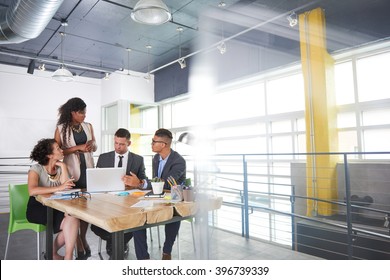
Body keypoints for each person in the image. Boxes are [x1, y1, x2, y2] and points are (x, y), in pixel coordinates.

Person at [123, 128, 186, 260]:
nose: (151, 144)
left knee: (173, 213)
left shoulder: (179, 161)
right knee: (137, 217)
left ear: (163, 145)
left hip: (173, 199)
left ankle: (167, 251)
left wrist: (140, 182)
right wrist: (142, 184)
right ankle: (143, 258)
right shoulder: (156, 158)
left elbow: (166, 183)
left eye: (153, 141)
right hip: (157, 197)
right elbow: (156, 181)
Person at [90, 128, 148, 259]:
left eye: (121, 144)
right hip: (106, 202)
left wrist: (138, 182)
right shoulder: (104, 157)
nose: (118, 147)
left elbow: (144, 182)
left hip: (128, 202)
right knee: (97, 225)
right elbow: (97, 179)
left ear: (129, 144)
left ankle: (117, 245)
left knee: (131, 221)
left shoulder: (138, 160)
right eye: (116, 143)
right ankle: (116, 242)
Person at [54, 97, 97, 260]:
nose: (84, 115)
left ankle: (83, 237)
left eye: (85, 112)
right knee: (73, 211)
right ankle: (77, 241)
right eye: (81, 113)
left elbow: (94, 146)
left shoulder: (88, 126)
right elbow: (57, 152)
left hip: (88, 170)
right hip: (71, 173)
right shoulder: (61, 128)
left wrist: (91, 145)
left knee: (85, 208)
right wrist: (77, 148)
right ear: (73, 112)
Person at [26, 138, 79, 260]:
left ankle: (67, 256)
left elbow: (65, 189)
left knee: (73, 217)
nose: (62, 150)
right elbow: (32, 190)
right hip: (38, 207)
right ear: (49, 155)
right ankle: (55, 254)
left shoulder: (60, 168)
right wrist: (59, 187)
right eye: (58, 149)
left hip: (56, 206)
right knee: (69, 223)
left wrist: (64, 166)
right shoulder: (36, 169)